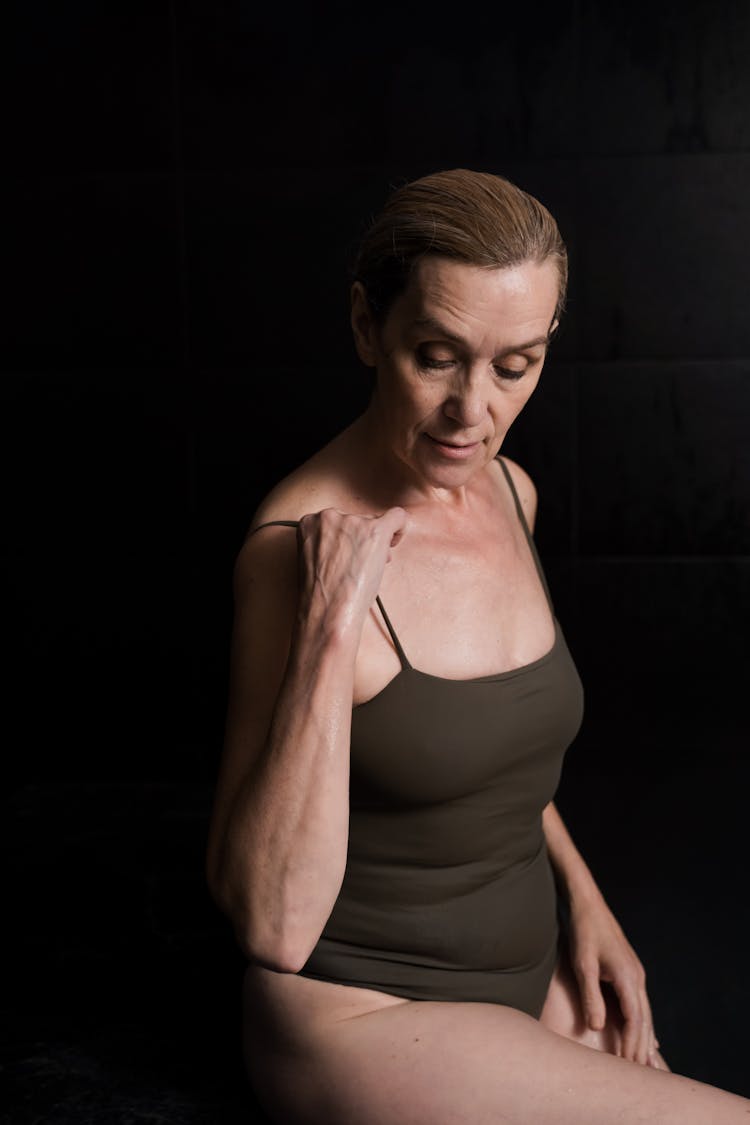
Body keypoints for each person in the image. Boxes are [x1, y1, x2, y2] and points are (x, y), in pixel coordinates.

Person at [205, 169, 749, 1123]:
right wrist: (333, 627)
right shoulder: (291, 551)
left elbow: (496, 760)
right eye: (436, 354)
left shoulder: (510, 491)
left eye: (514, 365)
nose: (472, 411)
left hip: (527, 968)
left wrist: (586, 899)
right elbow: (268, 921)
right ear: (369, 327)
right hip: (369, 1011)